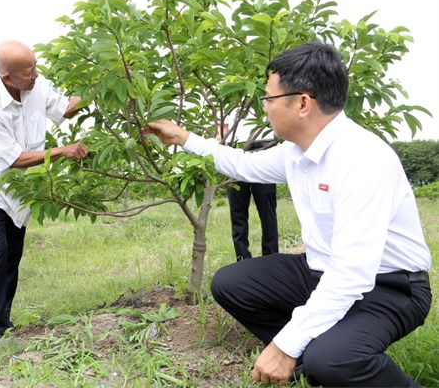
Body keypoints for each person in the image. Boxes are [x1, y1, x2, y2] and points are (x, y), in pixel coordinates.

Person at [145, 41, 432, 387]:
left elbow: (353, 272)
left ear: (302, 103)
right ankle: (304, 356)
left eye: (269, 98)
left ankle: (316, 355)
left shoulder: (362, 159)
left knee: (330, 361)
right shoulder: (295, 152)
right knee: (232, 283)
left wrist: (284, 344)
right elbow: (242, 164)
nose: (264, 108)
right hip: (320, 271)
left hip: (389, 285)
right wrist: (183, 137)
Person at [0, 39, 87, 351]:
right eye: (28, 70)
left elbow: (67, 110)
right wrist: (63, 150)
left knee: (12, 255)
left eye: (35, 66)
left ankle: (2, 323)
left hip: (21, 190)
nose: (36, 74)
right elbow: (13, 160)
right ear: (8, 77)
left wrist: (102, 86)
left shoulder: (37, 85)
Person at [219, 122, 279, 260]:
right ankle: (242, 258)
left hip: (264, 147)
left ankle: (271, 259)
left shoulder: (261, 102)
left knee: (267, 212)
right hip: (234, 150)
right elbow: (222, 123)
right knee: (237, 213)